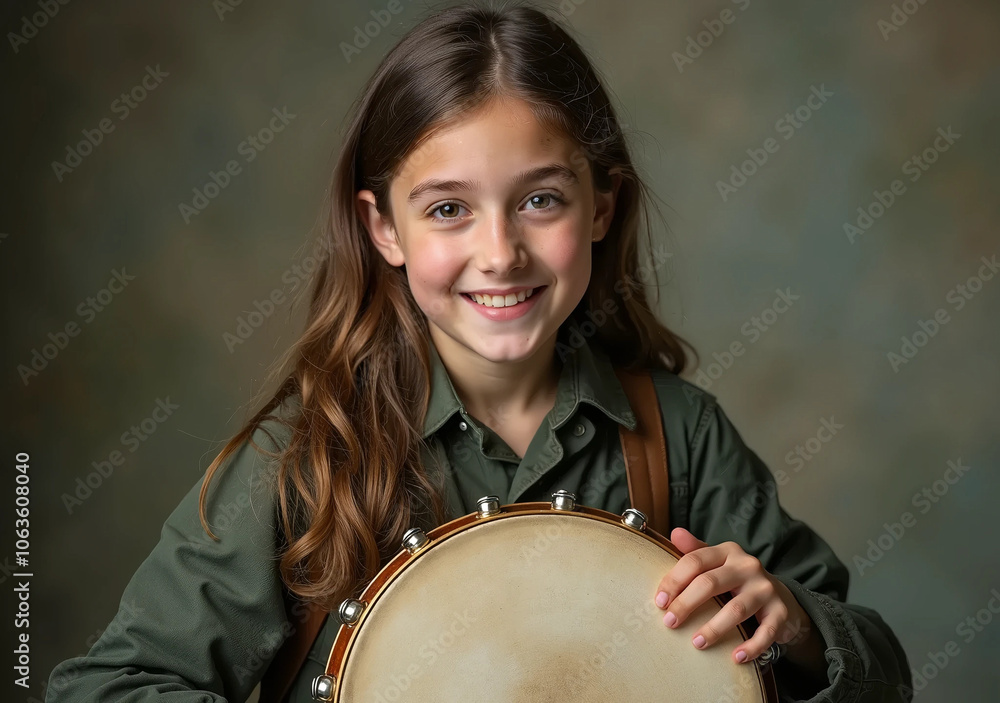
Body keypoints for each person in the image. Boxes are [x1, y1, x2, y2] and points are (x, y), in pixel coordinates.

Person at [46, 2, 912, 701]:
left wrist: (794, 622)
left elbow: (884, 671)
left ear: (602, 207)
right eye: (448, 209)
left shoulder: (682, 438)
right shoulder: (305, 458)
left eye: (540, 199)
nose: (500, 253)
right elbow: (106, 687)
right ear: (383, 227)